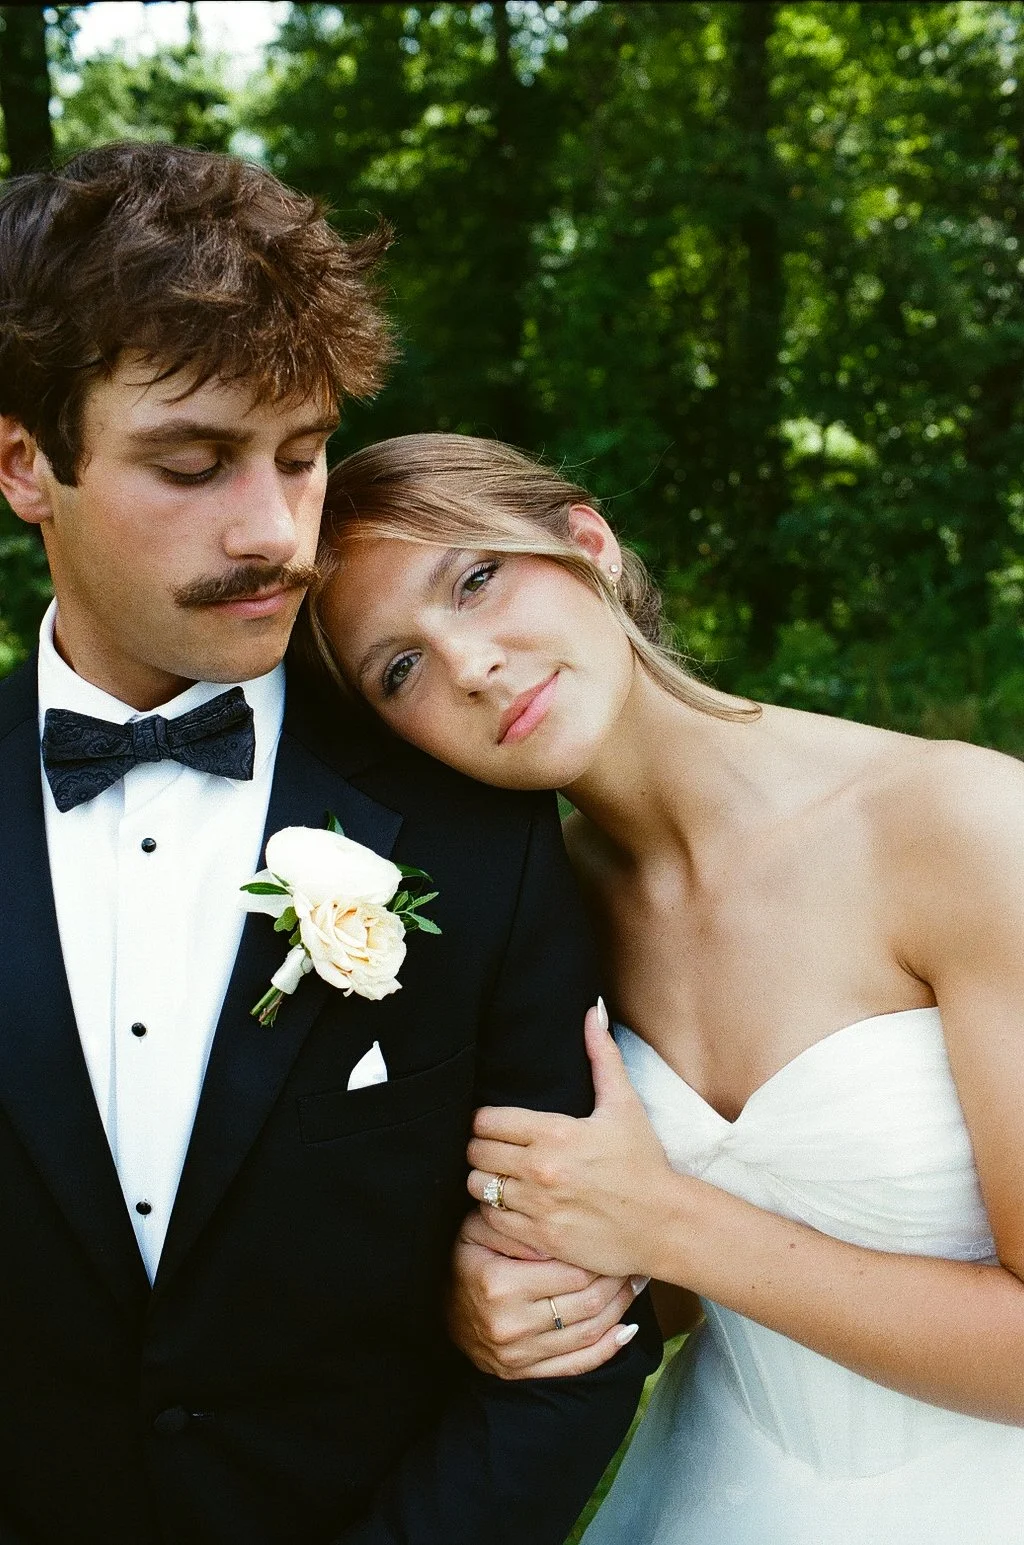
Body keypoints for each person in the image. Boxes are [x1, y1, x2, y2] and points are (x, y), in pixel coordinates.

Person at [0, 145, 658, 1545]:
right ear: (24, 465)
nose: (274, 531)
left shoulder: (481, 821)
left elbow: (583, 1314)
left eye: (301, 457)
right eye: (192, 464)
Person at [305, 431, 1024, 1544]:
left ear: (585, 542)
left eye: (476, 580)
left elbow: (668, 1225)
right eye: (397, 668)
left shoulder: (959, 827)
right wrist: (502, 1297)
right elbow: (671, 1286)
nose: (470, 664)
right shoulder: (535, 925)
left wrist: (667, 1225)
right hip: (717, 1494)